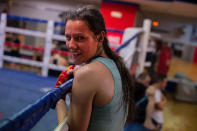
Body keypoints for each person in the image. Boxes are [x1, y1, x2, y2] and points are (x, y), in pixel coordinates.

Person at [55, 6, 134, 131]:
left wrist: (59, 99)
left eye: (80, 38)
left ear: (100, 37)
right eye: (68, 37)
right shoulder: (116, 66)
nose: (71, 45)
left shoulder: (88, 74)